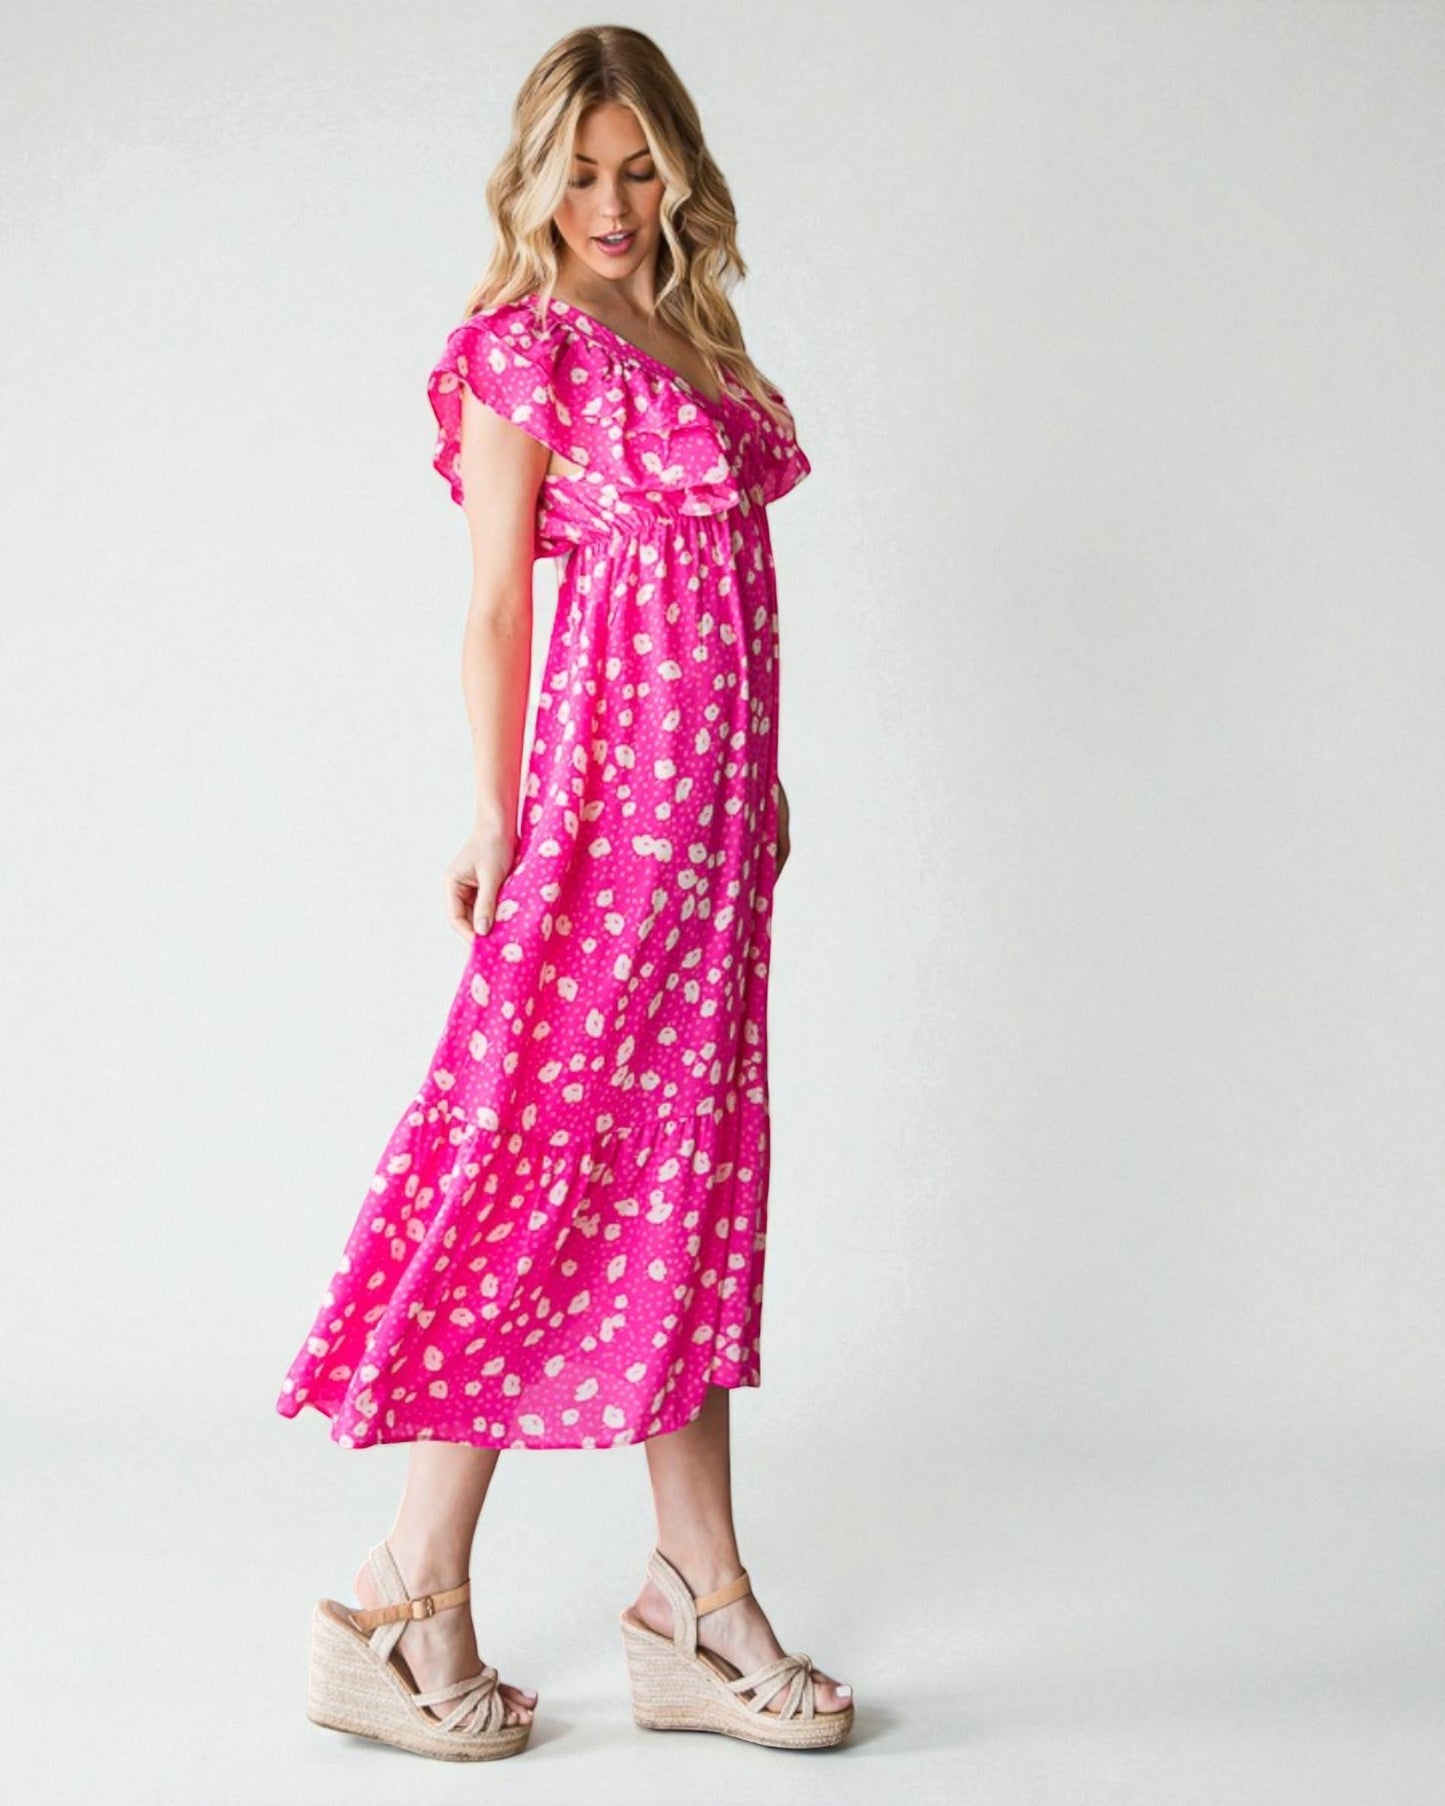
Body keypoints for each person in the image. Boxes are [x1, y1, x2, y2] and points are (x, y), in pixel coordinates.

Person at [275, 25, 853, 1760]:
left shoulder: (693, 341)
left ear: (677, 165)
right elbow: (496, 608)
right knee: (545, 1169)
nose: (612, 202)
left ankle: (694, 1595)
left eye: (638, 166)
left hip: (709, 850)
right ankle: (398, 1595)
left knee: (672, 1185)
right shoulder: (521, 351)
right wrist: (494, 810)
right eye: (579, 171)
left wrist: (759, 788)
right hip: (599, 832)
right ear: (534, 181)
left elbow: (732, 605)